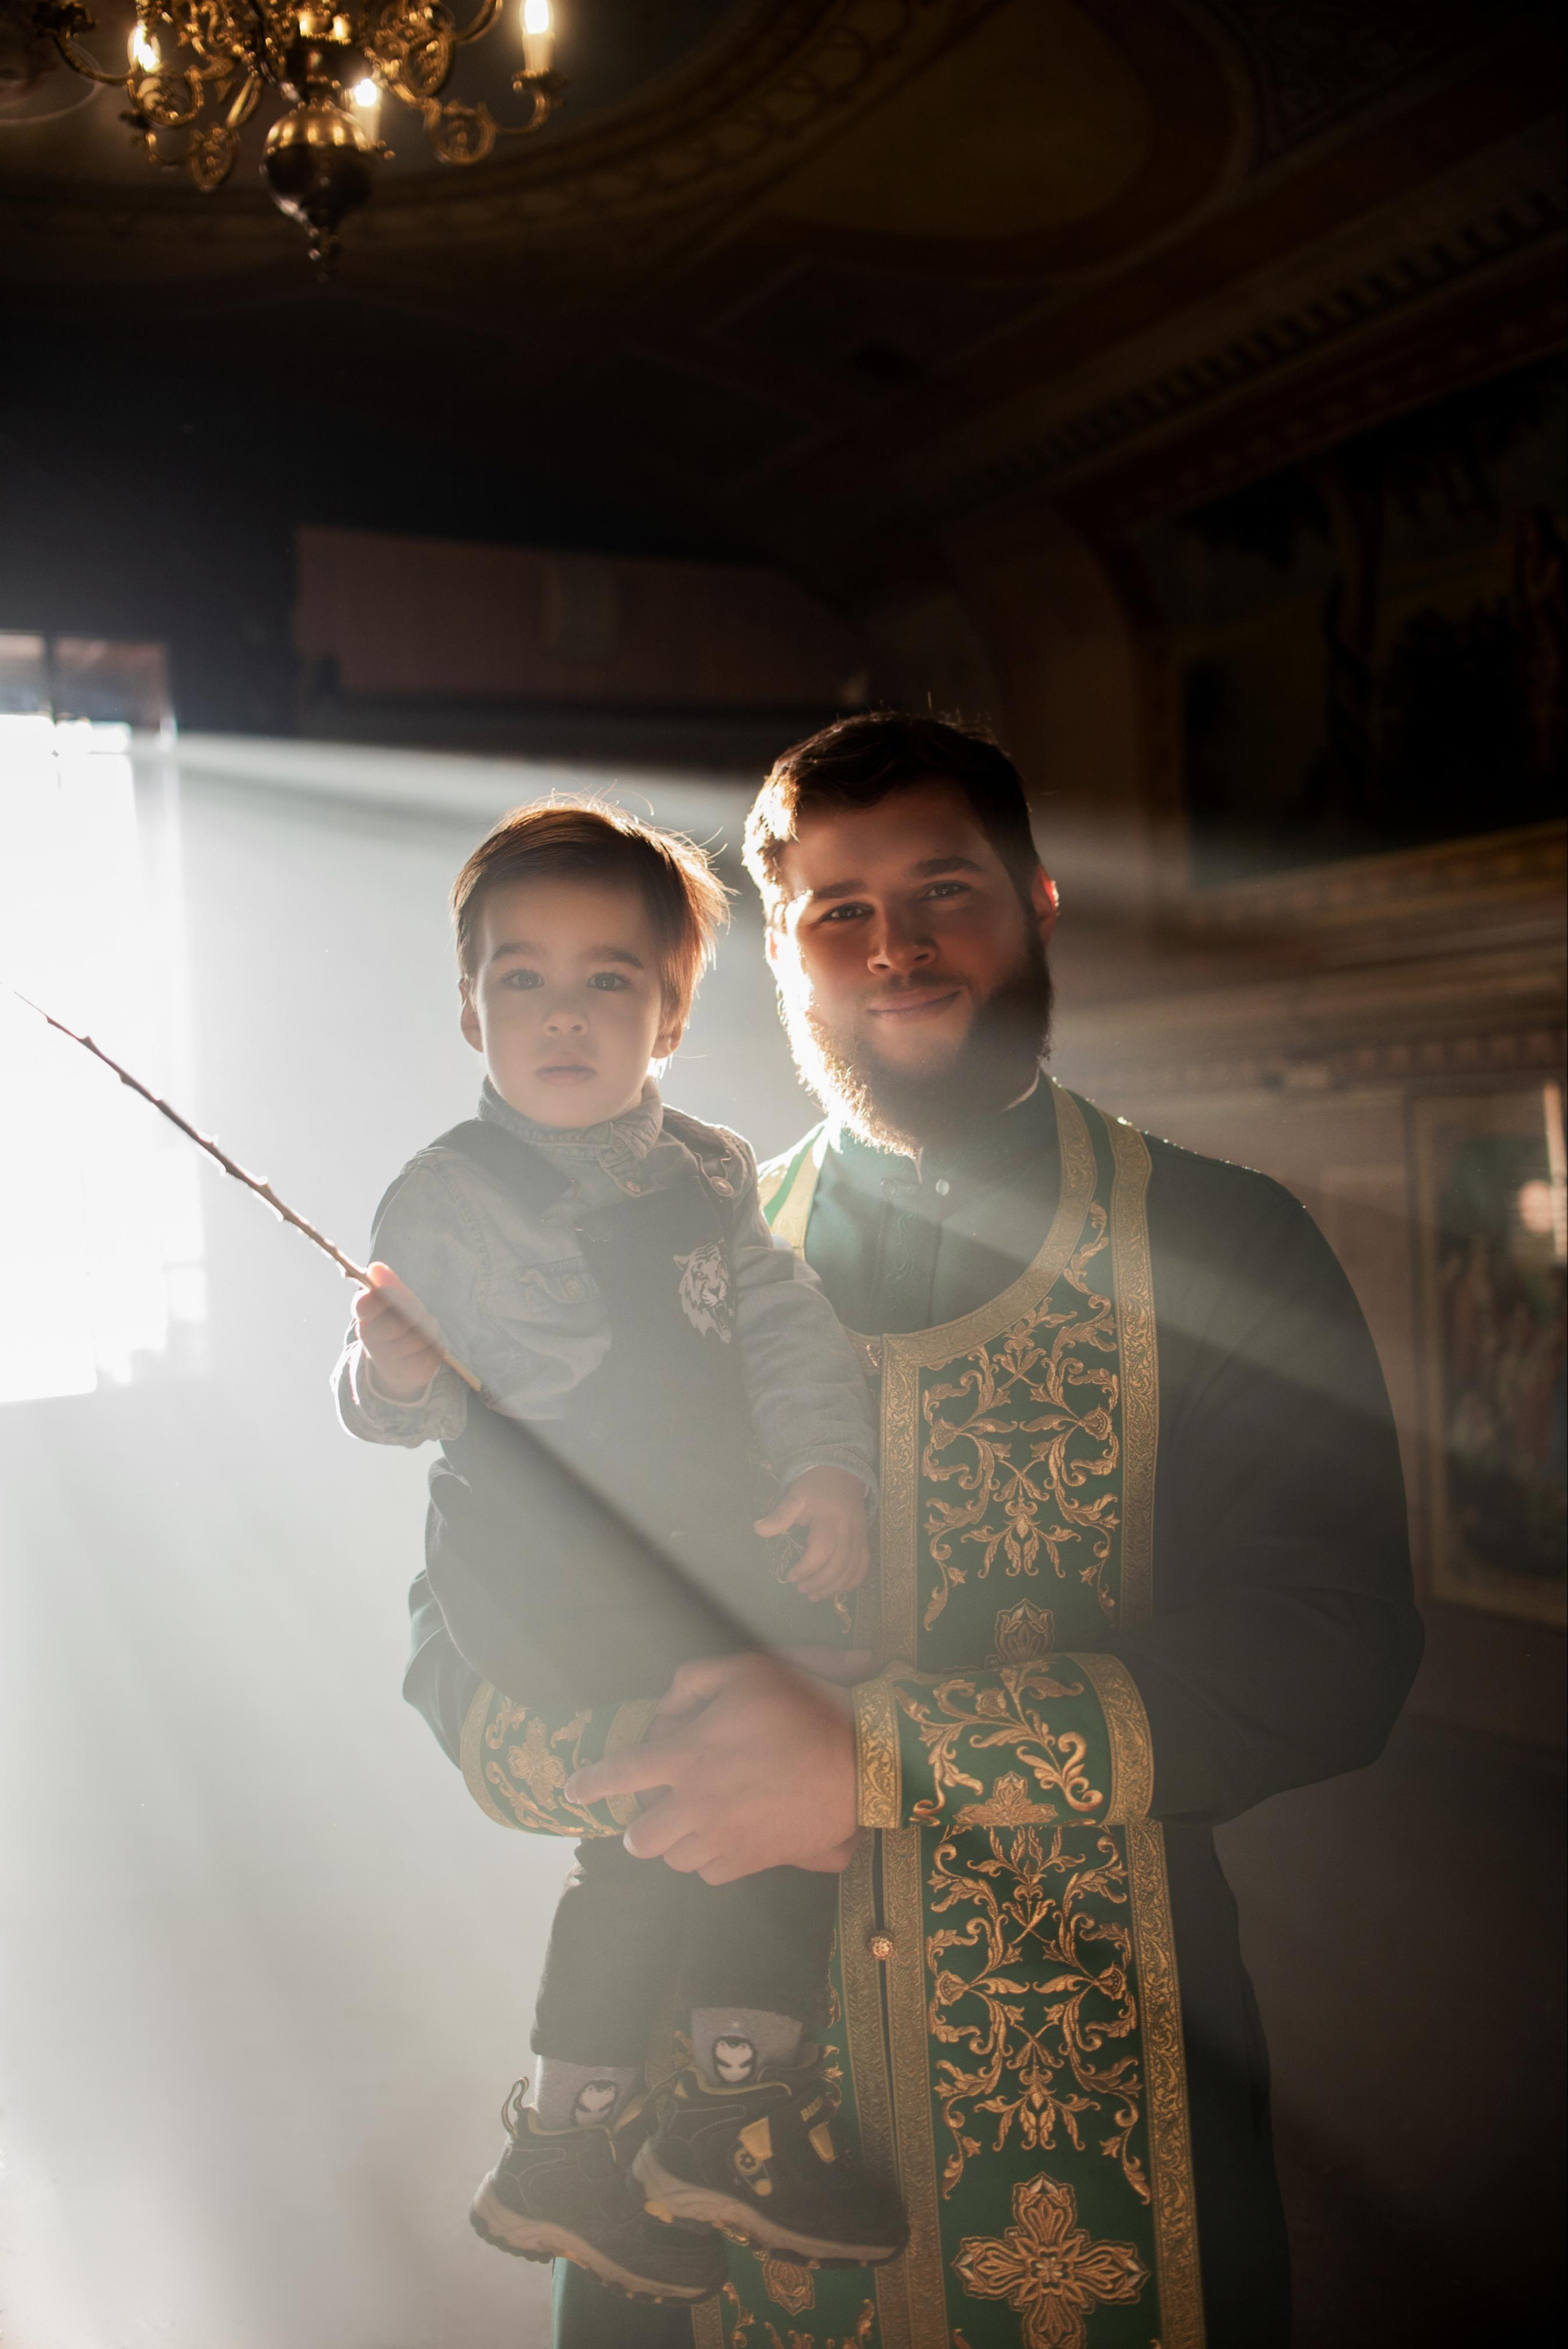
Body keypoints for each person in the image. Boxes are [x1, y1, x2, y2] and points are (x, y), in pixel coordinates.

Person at [405, 716, 1423, 2349]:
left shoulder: (1226, 1242)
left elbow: (1336, 1645)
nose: (898, 945)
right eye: (836, 910)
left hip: (1090, 2105)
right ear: (781, 962)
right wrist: (640, 1758)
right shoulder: (656, 1249)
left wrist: (864, 1758)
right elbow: (448, 1628)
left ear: (1034, 901)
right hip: (701, 2140)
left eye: (945, 889)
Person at [335, 800, 907, 2304]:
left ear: (668, 1015)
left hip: (690, 1553)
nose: (562, 1015)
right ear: (470, 1007)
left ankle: (592, 2134)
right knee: (738, 1776)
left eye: (608, 982)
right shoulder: (444, 1195)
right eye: (521, 980)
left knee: (717, 1802)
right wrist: (393, 1374)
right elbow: (392, 1413)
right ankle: (701, 2109)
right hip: (542, 1573)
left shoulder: (713, 1177)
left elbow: (782, 1336)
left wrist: (829, 1469)